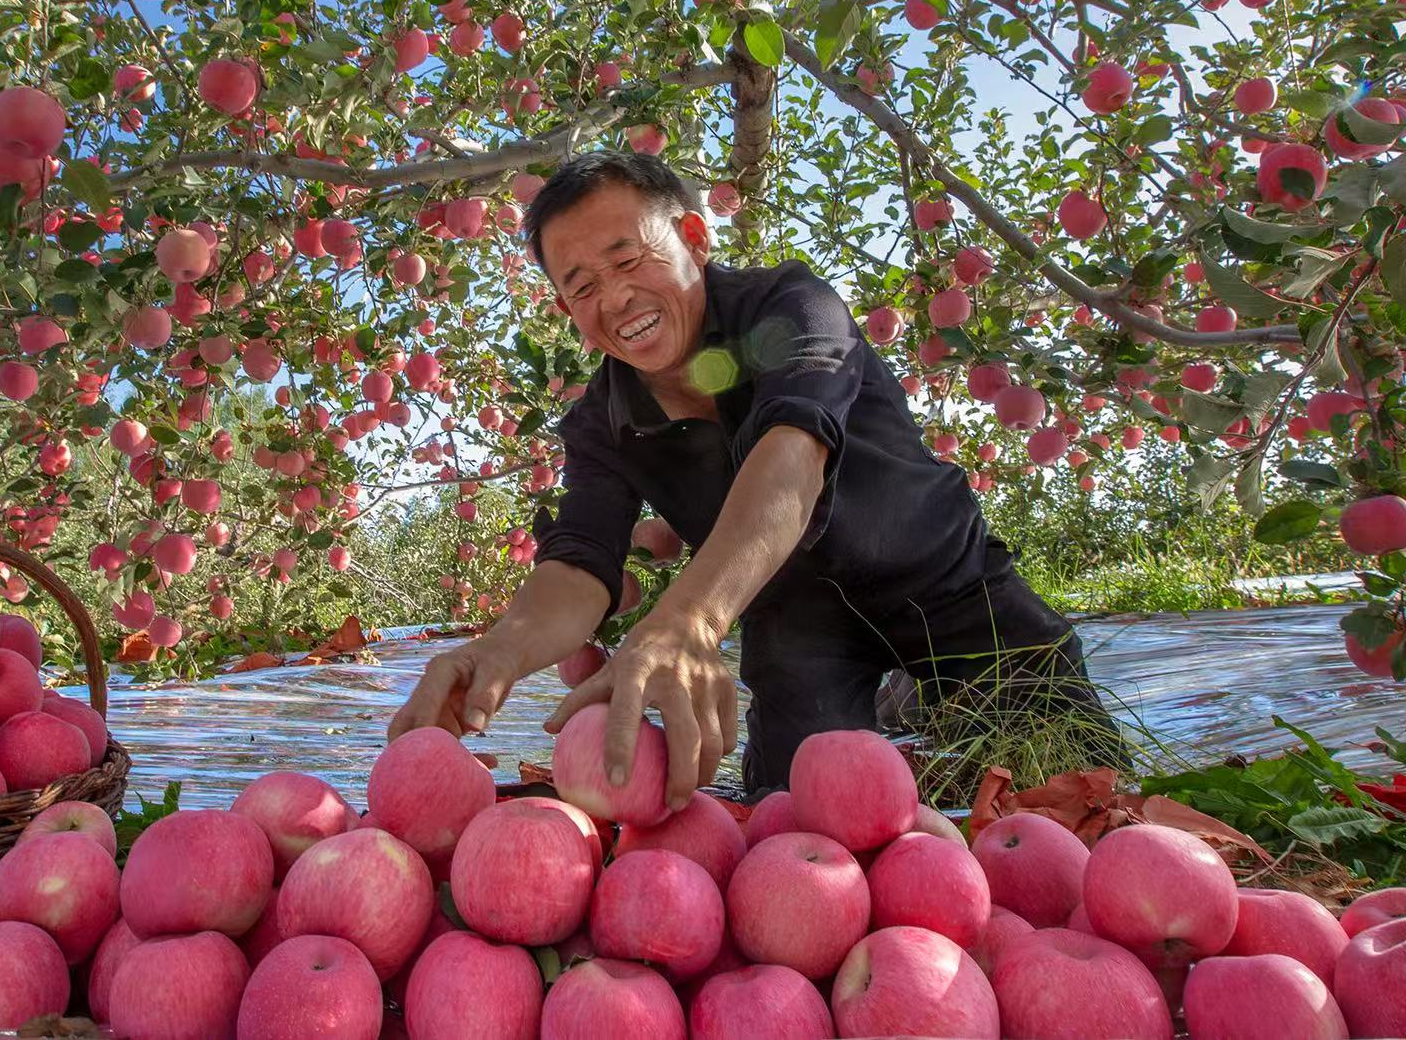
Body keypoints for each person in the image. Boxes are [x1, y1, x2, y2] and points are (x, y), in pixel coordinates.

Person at [387, 150, 1121, 813]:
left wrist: (689, 621)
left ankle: (913, 694)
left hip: (947, 581)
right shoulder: (600, 422)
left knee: (1086, 789)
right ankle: (896, 700)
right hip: (797, 631)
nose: (614, 299)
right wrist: (498, 650)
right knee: (788, 817)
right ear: (567, 311)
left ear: (696, 241)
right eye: (582, 286)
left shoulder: (794, 308)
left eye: (629, 258)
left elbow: (790, 457)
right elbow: (580, 563)